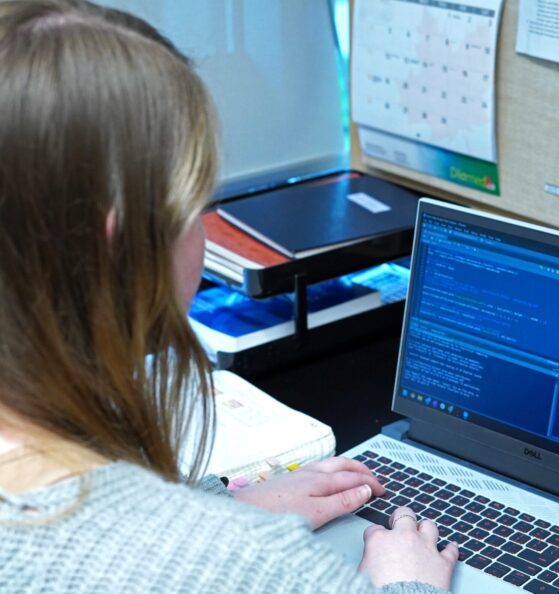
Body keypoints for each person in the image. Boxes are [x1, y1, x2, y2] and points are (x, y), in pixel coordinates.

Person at [0, 1, 458, 592]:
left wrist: (214, 509)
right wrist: (406, 584)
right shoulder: (250, 568)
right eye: (198, 206)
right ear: (121, 249)